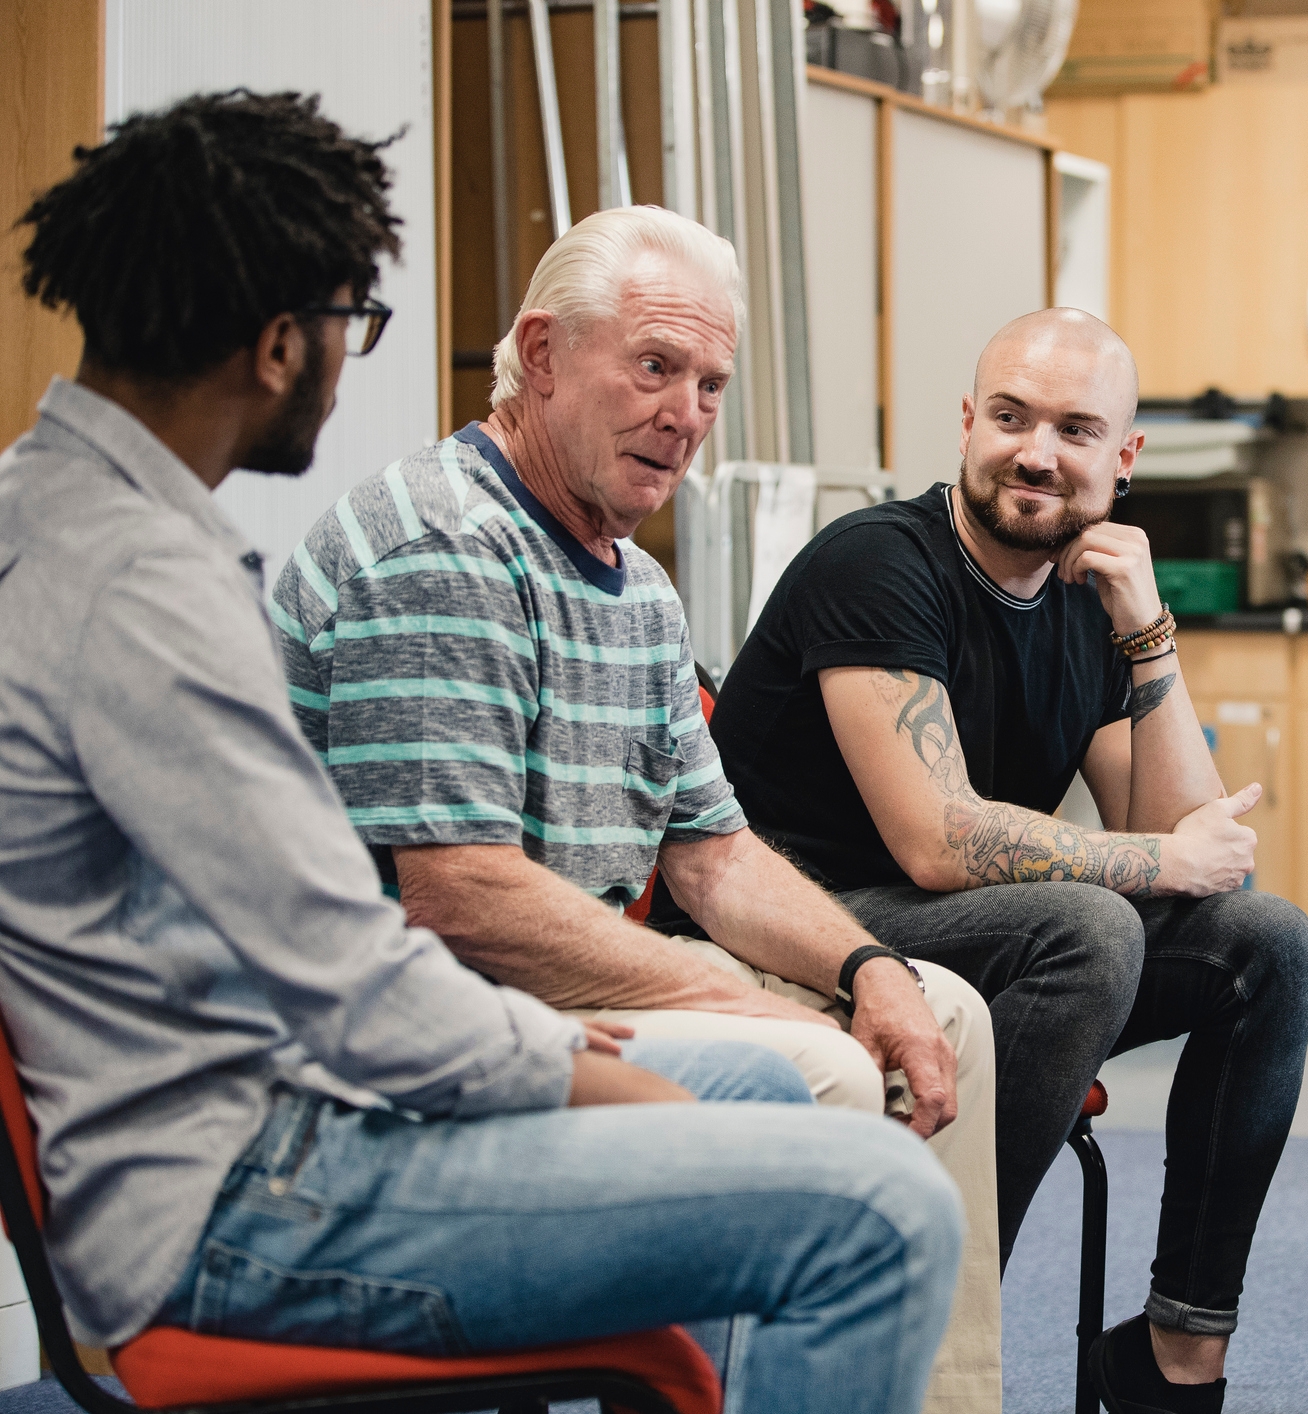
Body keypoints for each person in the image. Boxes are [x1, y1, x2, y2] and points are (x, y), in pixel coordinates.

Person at [0, 91, 960, 1414]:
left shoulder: (50, 513)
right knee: (879, 1207)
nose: (354, 363)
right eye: (354, 324)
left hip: (269, 1108)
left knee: (761, 1077)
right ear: (282, 343)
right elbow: (358, 965)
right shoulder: (142, 590)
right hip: (250, 1186)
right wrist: (586, 1077)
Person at [270, 203, 1001, 1414]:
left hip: (563, 983)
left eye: (710, 383)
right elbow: (455, 895)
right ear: (543, 354)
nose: (687, 413)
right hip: (426, 1026)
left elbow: (714, 855)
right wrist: (714, 989)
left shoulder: (638, 585)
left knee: (945, 1011)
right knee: (819, 1070)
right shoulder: (449, 546)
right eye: (655, 366)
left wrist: (870, 963)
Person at [709, 308, 1308, 1414]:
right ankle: (917, 1305)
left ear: (1123, 459)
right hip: (795, 926)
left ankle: (1178, 1354)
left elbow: (1195, 846)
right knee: (1091, 924)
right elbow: (937, 839)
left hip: (965, 941)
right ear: (967, 423)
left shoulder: (1088, 604)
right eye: (1010, 417)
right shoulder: (878, 563)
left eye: (1076, 429)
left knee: (1269, 942)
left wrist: (1148, 630)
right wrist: (1156, 859)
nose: (1036, 452)